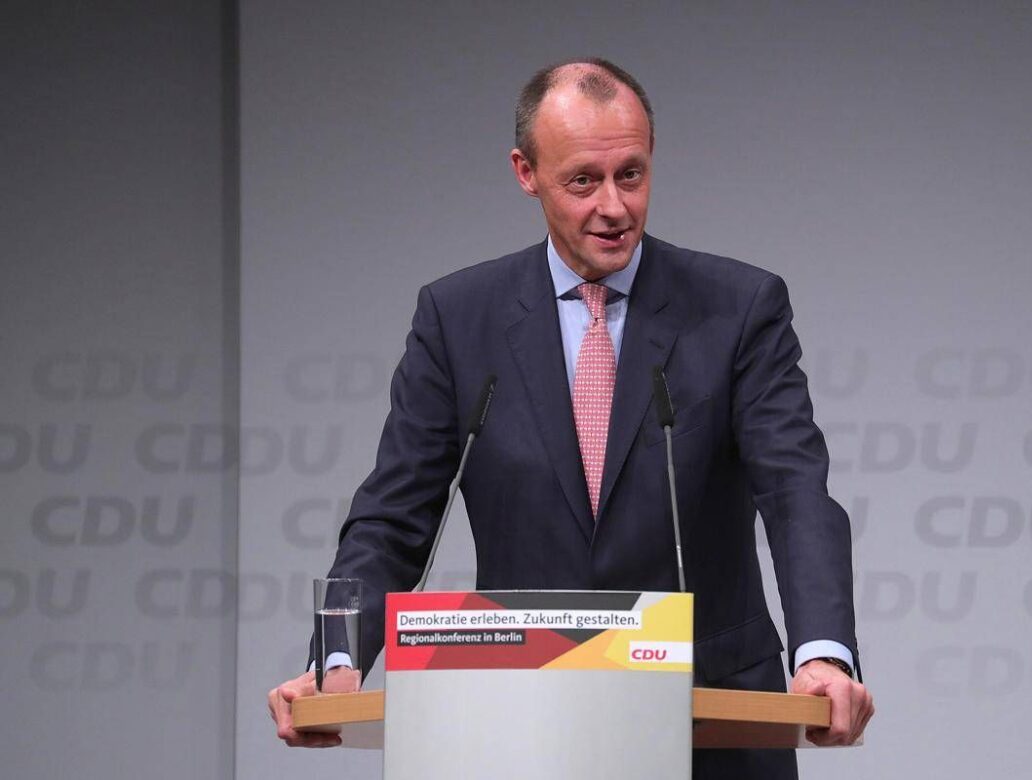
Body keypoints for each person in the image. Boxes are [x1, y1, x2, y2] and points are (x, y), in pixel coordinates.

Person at [269, 58, 874, 778]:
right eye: (583, 181)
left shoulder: (739, 307)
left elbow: (796, 493)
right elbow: (393, 519)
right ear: (526, 172)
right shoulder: (458, 319)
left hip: (712, 719)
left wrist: (823, 653)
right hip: (521, 719)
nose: (614, 206)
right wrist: (337, 659)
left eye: (632, 174)